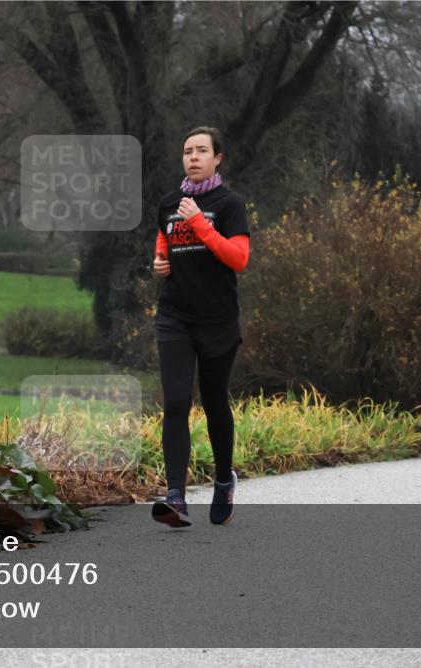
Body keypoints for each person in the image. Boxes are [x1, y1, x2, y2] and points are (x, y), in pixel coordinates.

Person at [150, 126, 250, 528]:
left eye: (201, 151)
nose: (192, 157)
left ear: (217, 157)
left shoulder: (229, 204)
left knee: (213, 402)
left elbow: (238, 258)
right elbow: (164, 238)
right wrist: (160, 261)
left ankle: (224, 480)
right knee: (175, 401)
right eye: (187, 151)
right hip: (175, 315)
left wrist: (202, 224)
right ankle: (176, 496)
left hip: (218, 320)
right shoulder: (170, 202)